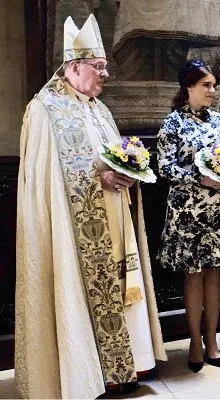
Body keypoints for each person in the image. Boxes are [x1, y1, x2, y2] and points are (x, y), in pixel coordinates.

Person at [15, 14, 166, 399]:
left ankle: (120, 369)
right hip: (72, 232)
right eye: (99, 67)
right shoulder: (45, 109)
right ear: (75, 66)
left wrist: (128, 175)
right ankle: (84, 375)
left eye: (104, 67)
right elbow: (42, 182)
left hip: (115, 220)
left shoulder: (99, 109)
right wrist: (97, 180)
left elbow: (114, 157)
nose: (106, 74)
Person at [157, 59, 220, 372]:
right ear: (189, 87)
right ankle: (194, 340)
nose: (212, 90)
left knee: (214, 273)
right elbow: (165, 168)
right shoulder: (173, 123)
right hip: (187, 212)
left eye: (214, 85)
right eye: (206, 85)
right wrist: (199, 176)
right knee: (193, 275)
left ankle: (212, 338)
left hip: (218, 209)